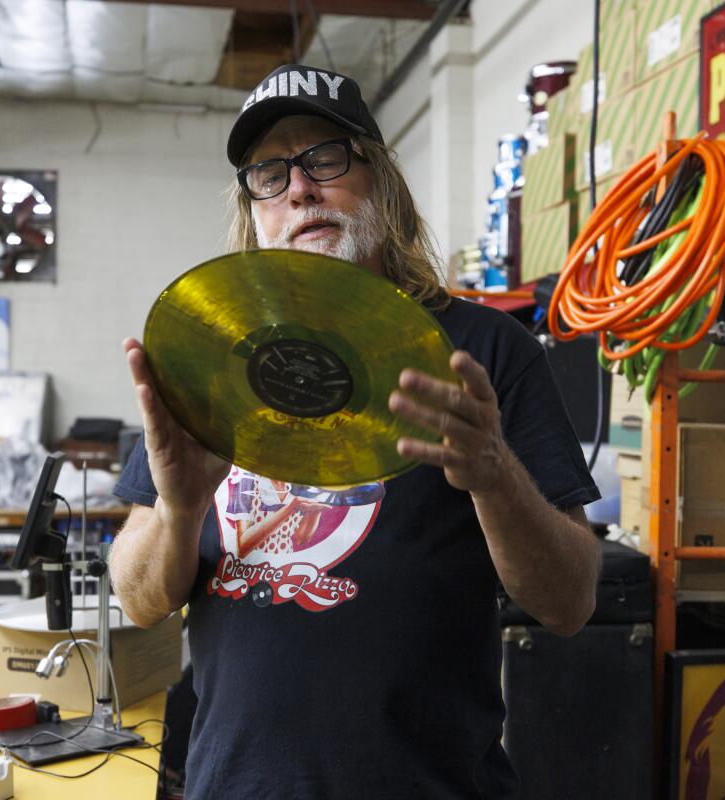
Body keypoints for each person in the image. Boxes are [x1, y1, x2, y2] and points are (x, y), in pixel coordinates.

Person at [109, 64, 602, 798]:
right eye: (269, 173)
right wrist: (179, 510)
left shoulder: (485, 351)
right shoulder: (207, 350)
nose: (299, 187)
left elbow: (570, 602)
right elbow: (140, 600)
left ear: (381, 181)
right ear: (253, 210)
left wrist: (495, 476)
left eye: (324, 159)